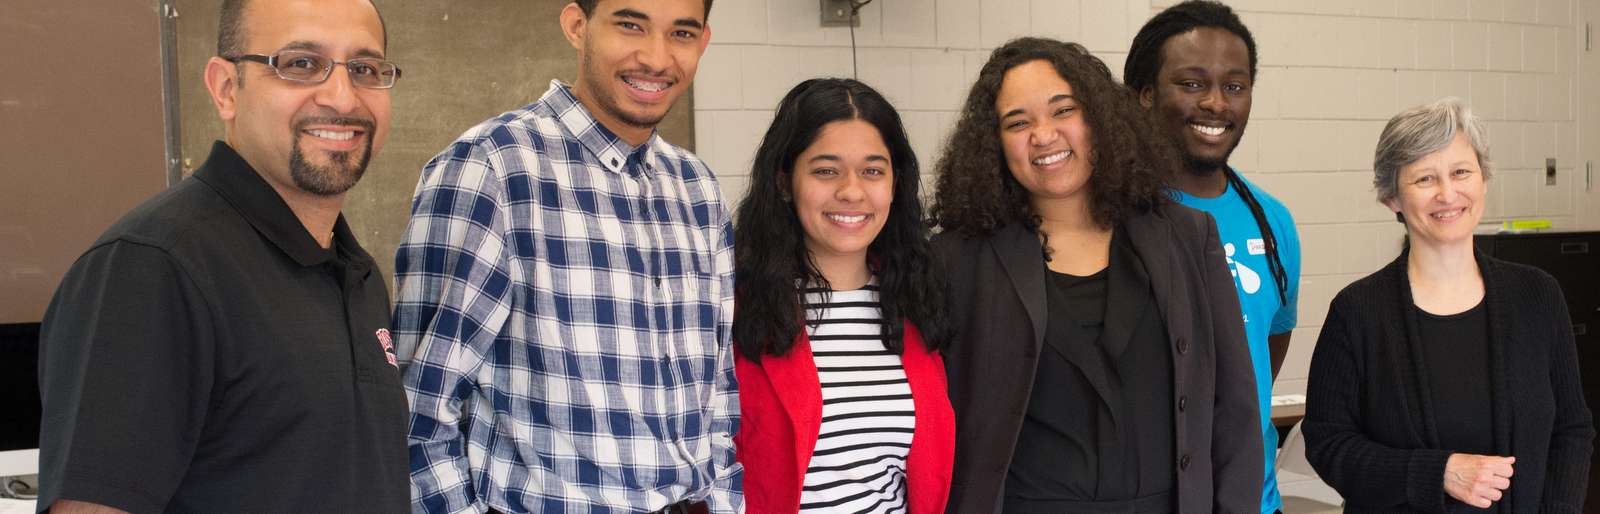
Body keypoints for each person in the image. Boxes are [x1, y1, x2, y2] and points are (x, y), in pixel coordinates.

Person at [35, 0, 407, 512]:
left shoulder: (357, 274)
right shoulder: (153, 269)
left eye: (365, 69)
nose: (342, 97)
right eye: (300, 64)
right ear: (226, 88)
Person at [396, 1, 739, 512]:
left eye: (681, 33)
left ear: (703, 42)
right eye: (630, 25)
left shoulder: (697, 188)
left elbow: (717, 391)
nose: (656, 57)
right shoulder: (492, 168)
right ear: (577, 27)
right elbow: (418, 410)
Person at [930, 37, 1261, 513]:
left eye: (1063, 110)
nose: (1043, 135)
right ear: (994, 145)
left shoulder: (1186, 236)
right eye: (1017, 122)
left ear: (1099, 119)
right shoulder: (957, 261)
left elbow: (1235, 410)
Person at [1303, 98, 1594, 513]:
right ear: (1392, 198)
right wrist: (1437, 472)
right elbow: (1329, 443)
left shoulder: (1537, 295)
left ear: (1483, 180)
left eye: (1461, 172)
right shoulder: (1357, 311)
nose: (1448, 193)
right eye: (1425, 178)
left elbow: (1572, 428)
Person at [732, 78, 954, 514]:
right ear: (784, 181)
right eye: (825, 170)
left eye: (873, 170)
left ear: (895, 183)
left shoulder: (915, 300)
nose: (852, 191)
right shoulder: (737, 306)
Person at [1125, 3, 1301, 510]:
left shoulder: (1274, 223)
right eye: (1192, 83)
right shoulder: (1110, 219)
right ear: (1143, 96)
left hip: (1253, 500)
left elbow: (1265, 349)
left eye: (1234, 86)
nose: (1216, 104)